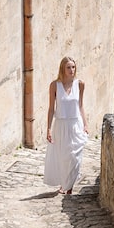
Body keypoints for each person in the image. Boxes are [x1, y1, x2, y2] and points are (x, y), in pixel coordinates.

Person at [44, 56, 89, 194]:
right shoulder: (54, 85)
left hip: (75, 124)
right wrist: (48, 129)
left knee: (75, 156)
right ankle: (64, 184)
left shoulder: (80, 84)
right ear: (63, 69)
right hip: (61, 125)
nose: (71, 70)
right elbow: (51, 108)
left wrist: (85, 125)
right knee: (63, 157)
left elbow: (80, 105)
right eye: (68, 67)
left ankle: (69, 186)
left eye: (73, 67)